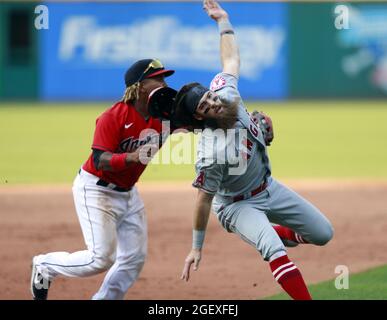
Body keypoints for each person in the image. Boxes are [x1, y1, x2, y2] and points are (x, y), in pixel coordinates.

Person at [177, 0, 334, 300]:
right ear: (199, 116)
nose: (212, 102)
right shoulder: (211, 154)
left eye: (209, 96)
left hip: (267, 188)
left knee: (323, 233)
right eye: (204, 106)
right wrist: (196, 247)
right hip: (237, 206)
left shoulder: (225, 92)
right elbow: (203, 200)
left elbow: (231, 61)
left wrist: (223, 21)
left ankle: (278, 231)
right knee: (274, 251)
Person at [30, 59, 175, 300]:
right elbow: (100, 159)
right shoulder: (113, 117)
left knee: (133, 259)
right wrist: (131, 157)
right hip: (96, 190)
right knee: (101, 258)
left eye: (164, 78)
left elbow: (196, 120)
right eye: (157, 78)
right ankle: (45, 266)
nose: (163, 83)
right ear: (139, 87)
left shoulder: (165, 116)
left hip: (129, 193)